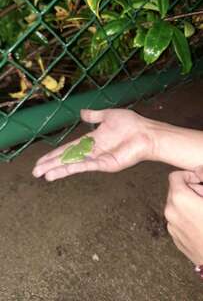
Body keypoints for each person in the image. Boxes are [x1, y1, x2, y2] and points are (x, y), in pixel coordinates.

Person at [32, 108, 203, 276]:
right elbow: (85, 149)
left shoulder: (87, 146)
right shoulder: (86, 147)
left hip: (79, 151)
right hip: (78, 153)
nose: (91, 143)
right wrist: (149, 136)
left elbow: (86, 148)